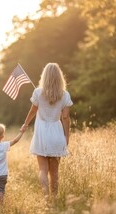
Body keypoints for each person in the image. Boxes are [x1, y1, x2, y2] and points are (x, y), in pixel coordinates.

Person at [20, 62, 73, 200]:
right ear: (59, 77)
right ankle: (54, 198)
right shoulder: (65, 94)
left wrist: (25, 124)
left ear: (44, 76)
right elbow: (65, 117)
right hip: (57, 133)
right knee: (54, 172)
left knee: (42, 169)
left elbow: (33, 111)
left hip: (41, 133)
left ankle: (46, 197)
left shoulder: (38, 92)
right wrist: (66, 136)